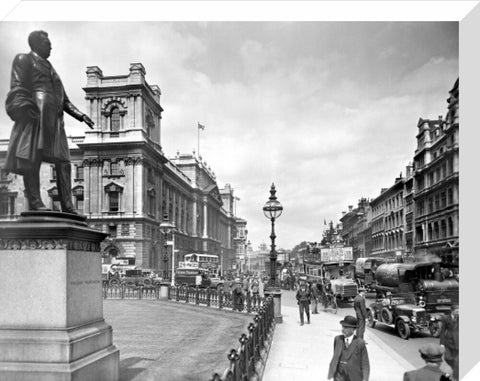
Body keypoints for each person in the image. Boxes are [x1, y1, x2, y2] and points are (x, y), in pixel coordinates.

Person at [4, 30, 94, 214]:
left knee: (64, 162)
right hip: (37, 114)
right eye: (47, 43)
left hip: (55, 119)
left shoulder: (53, 70)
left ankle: (68, 206)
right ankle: (36, 202)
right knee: (33, 159)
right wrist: (26, 108)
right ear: (36, 44)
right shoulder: (24, 59)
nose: (51, 46)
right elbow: (18, 87)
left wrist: (80, 115)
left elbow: (65, 100)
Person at [328, 315, 370, 381]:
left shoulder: (360, 343)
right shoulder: (337, 339)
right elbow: (336, 356)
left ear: (353, 329)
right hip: (339, 376)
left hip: (354, 377)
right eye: (342, 326)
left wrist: (365, 379)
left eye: (346, 327)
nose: (343, 329)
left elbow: (365, 364)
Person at [439, 305, 459, 381]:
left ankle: (454, 372)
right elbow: (442, 331)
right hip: (448, 340)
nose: (459, 312)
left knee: (456, 358)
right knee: (447, 357)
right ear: (452, 311)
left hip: (458, 340)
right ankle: (453, 368)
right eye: (457, 311)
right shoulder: (445, 318)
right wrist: (441, 343)